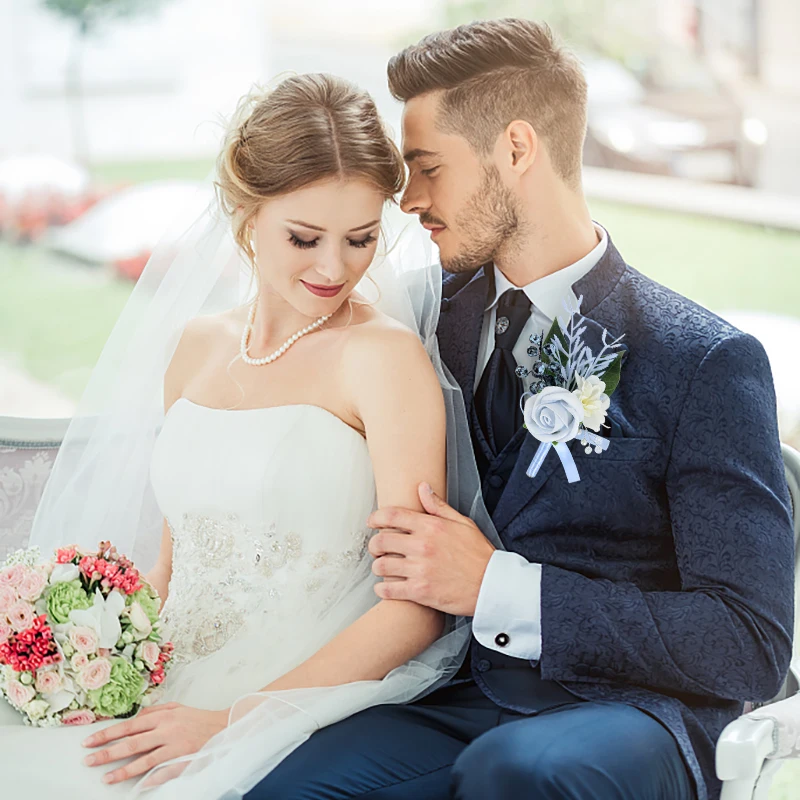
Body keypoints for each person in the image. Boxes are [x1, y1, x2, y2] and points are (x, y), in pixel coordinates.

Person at [248, 19, 796, 800]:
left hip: (629, 713)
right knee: (278, 783)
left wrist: (498, 589)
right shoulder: (416, 317)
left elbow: (748, 643)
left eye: (428, 168)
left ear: (515, 148)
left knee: (514, 774)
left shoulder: (703, 360)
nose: (410, 201)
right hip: (452, 695)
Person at [0, 73, 494, 797]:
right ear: (245, 211)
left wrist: (230, 719)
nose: (335, 268)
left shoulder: (383, 359)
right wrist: (94, 659)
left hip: (293, 688)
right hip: (172, 673)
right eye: (304, 237)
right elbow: (172, 565)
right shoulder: (195, 345)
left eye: (360, 238)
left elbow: (413, 608)